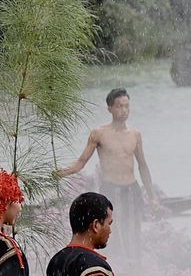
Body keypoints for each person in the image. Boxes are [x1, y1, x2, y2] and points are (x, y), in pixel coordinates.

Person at [58, 89, 160, 253]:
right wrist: (61, 172)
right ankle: (113, 266)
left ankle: (135, 267)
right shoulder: (99, 134)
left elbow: (143, 166)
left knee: (134, 231)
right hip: (110, 188)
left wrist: (152, 196)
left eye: (127, 106)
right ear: (110, 108)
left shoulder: (135, 134)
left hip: (131, 188)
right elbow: (81, 162)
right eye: (119, 106)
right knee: (110, 232)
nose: (124, 110)